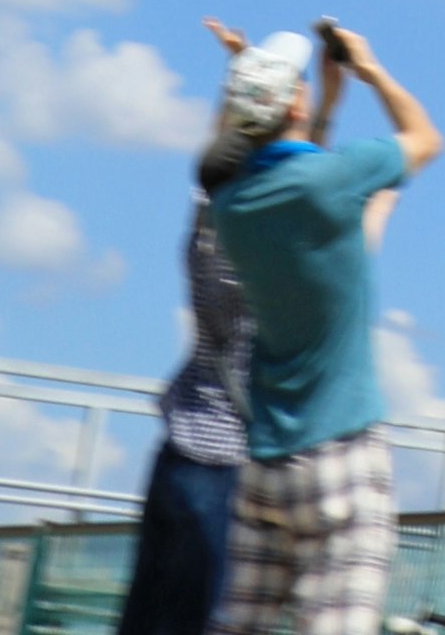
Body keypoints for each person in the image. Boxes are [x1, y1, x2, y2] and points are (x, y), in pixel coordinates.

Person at [204, 18, 441, 635]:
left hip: (264, 466)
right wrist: (369, 71)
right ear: (296, 102)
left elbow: (305, 177)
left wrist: (326, 102)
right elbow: (423, 139)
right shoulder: (334, 180)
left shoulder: (232, 209)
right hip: (340, 457)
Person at [116, 85, 261, 635]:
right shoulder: (257, 267)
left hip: (175, 446)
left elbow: (214, 163)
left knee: (146, 611)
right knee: (199, 618)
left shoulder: (200, 237)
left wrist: (239, 87)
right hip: (224, 460)